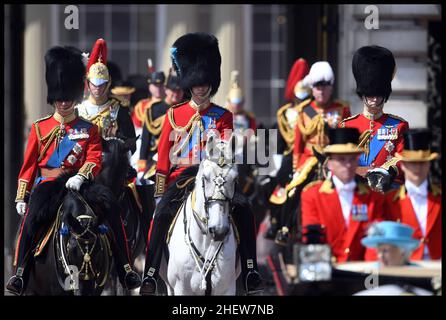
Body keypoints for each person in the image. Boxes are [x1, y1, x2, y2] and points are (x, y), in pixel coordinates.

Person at [6, 46, 140, 295]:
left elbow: (93, 158)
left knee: (111, 205)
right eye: (60, 98)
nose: (65, 103)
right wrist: (21, 196)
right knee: (30, 219)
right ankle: (21, 272)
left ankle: (124, 268)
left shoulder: (88, 129)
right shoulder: (40, 128)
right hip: (49, 186)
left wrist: (82, 175)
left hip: (81, 185)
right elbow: (28, 166)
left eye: (68, 98)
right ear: (54, 99)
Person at [140, 32, 263, 295]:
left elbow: (227, 151)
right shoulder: (174, 114)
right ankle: (150, 274)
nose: (201, 88)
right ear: (189, 83)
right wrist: (160, 190)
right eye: (196, 83)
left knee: (244, 210)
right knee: (160, 216)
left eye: (205, 83)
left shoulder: (223, 116)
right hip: (182, 177)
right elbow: (163, 155)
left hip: (215, 176)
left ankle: (251, 270)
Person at [276, 61, 352, 245]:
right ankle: (285, 228)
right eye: (318, 87)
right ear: (312, 89)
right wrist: (295, 168)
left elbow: (349, 137)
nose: (322, 91)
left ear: (331, 87)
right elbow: (299, 144)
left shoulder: (342, 109)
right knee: (293, 190)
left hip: (334, 158)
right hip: (309, 159)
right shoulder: (304, 110)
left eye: (326, 86)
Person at [300, 128, 387, 263]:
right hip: (328, 270)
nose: (347, 165)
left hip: (362, 270)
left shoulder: (373, 197)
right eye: (341, 159)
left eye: (352, 159)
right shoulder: (312, 195)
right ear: (329, 163)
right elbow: (313, 237)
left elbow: (376, 240)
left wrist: (368, 270)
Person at [340, 45, 409, 193]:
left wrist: (385, 171)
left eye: (379, 94)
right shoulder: (347, 125)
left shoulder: (399, 126)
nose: (375, 99)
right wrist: (358, 170)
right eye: (370, 94)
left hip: (388, 189)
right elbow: (339, 160)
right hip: (357, 190)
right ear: (363, 93)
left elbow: (404, 157)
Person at [267, 58, 311, 241]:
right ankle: (277, 223)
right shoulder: (284, 113)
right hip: (289, 154)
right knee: (273, 181)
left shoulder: (312, 111)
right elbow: (277, 139)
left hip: (309, 154)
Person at [383, 129, 441, 260]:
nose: (417, 168)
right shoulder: (389, 200)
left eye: (422, 163)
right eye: (412, 163)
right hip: (404, 266)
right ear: (402, 165)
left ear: (428, 165)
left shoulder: (439, 197)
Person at [76, 38, 136, 152]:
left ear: (108, 84)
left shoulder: (119, 109)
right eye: (94, 84)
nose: (97, 88)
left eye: (101, 84)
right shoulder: (78, 110)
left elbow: (131, 145)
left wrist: (117, 140)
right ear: (88, 84)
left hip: (111, 162)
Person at [138, 69, 185, 182]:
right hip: (155, 161)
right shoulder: (153, 109)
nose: (176, 94)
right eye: (173, 90)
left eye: (179, 91)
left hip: (180, 162)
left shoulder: (185, 109)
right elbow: (146, 139)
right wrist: (142, 165)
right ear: (166, 90)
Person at [131, 60, 166, 131]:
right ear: (149, 86)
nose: (158, 88)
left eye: (161, 85)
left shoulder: (170, 104)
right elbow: (136, 127)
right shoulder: (141, 106)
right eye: (155, 85)